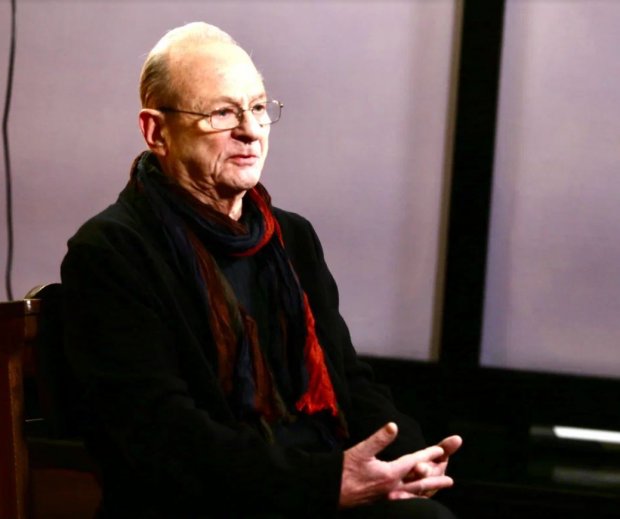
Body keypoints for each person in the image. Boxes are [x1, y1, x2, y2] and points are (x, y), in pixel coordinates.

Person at [61, 22, 462, 518]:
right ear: (156, 132)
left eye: (257, 108)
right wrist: (322, 483)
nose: (250, 131)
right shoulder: (112, 251)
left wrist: (406, 458)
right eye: (222, 113)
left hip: (311, 484)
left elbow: (347, 381)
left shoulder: (291, 237)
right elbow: (160, 434)